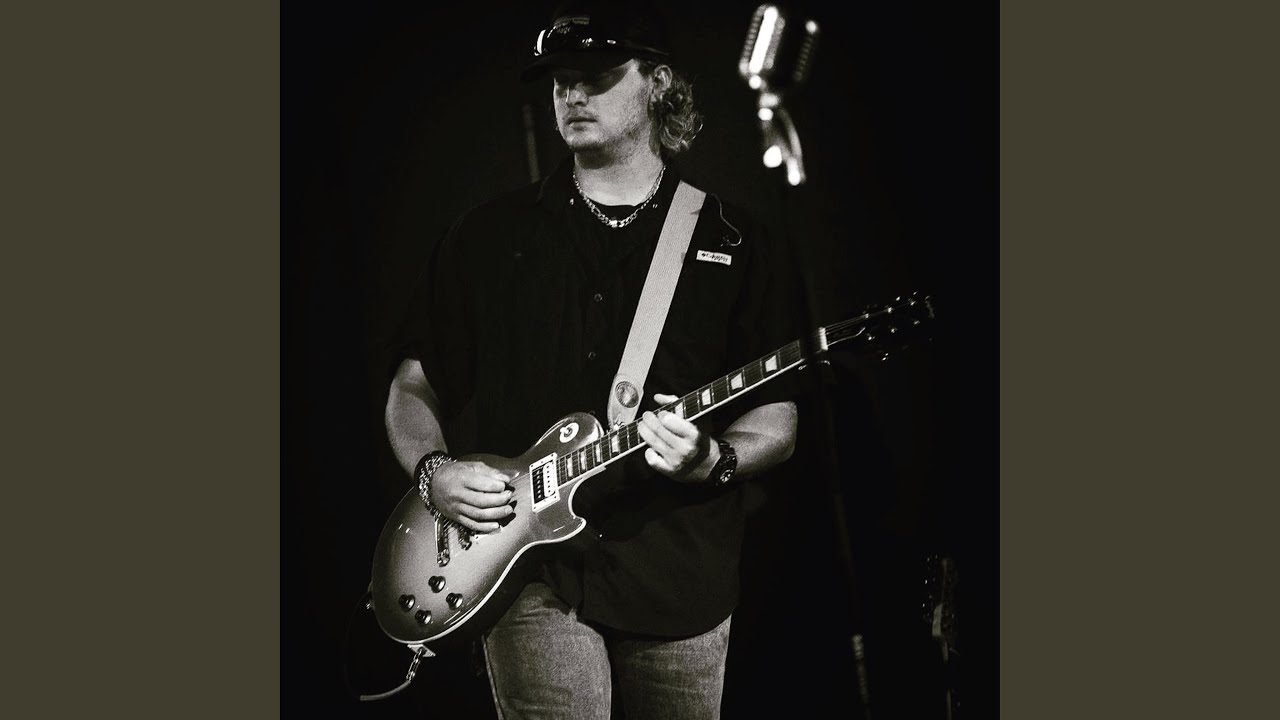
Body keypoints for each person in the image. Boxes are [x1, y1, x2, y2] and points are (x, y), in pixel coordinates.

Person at [385, 1, 802, 717]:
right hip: (528, 568)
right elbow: (412, 385)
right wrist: (433, 472)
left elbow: (777, 416)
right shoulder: (487, 237)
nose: (573, 93)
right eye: (560, 80)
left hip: (681, 574)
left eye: (597, 75)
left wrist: (714, 459)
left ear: (658, 82)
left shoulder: (736, 241)